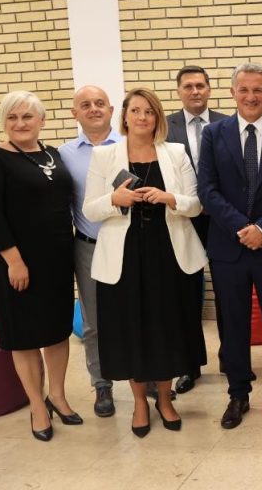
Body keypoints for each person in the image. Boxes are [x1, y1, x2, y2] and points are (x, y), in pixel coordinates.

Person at [83, 88, 207, 437]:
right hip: (123, 257)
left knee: (166, 328)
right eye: (135, 110)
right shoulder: (104, 155)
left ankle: (165, 399)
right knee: (131, 330)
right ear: (124, 116)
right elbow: (90, 209)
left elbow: (195, 205)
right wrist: (115, 198)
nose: (142, 117)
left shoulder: (175, 152)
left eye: (149, 111)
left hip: (168, 253)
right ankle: (139, 402)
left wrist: (169, 197)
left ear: (157, 118)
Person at [198, 63, 262, 429]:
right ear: (232, 94)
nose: (251, 96)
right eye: (243, 89)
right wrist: (242, 228)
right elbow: (207, 189)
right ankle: (238, 393)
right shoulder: (213, 134)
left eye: (258, 89)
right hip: (228, 247)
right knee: (233, 324)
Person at [0, 91, 79, 441]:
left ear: (42, 121)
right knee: (25, 337)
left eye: (27, 116)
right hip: (17, 262)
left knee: (57, 331)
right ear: (4, 122)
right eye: (12, 117)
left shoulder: (53, 154)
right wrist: (15, 262)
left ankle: (57, 396)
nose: (20, 123)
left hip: (57, 259)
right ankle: (37, 406)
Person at [59, 85, 122, 418]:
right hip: (88, 247)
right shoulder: (64, 155)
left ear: (111, 110)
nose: (93, 109)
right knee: (94, 323)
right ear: (75, 113)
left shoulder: (129, 146)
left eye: (100, 103)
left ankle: (147, 379)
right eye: (85, 105)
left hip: (128, 245)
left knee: (135, 315)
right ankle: (102, 385)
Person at [165, 65, 226, 395]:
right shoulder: (165, 127)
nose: (195, 91)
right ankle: (190, 366)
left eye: (200, 85)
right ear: (179, 92)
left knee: (228, 291)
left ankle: (230, 358)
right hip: (182, 220)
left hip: (222, 220)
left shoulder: (227, 123)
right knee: (186, 295)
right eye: (188, 86)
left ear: (209, 89)